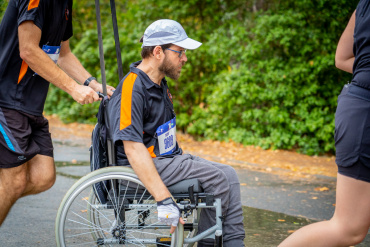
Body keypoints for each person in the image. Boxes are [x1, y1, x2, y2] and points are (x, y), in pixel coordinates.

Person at [107, 19, 245, 247]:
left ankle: (234, 244)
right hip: (136, 166)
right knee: (217, 179)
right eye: (180, 52)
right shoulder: (133, 87)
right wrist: (163, 199)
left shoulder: (159, 84)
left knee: (229, 175)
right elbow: (132, 148)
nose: (185, 58)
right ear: (158, 52)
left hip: (165, 159)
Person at [0, 0, 114, 226]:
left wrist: (92, 84)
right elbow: (28, 50)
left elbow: (63, 54)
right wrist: (72, 88)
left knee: (44, 176)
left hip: (31, 105)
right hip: (7, 100)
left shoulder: (65, 4)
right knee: (13, 183)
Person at [278, 1, 370, 246]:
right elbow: (343, 59)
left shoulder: (363, 6)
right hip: (364, 113)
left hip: (358, 104)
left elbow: (342, 58)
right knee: (348, 228)